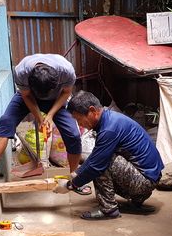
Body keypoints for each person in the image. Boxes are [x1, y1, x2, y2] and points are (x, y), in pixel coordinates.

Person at [0, 53, 91, 195]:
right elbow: (26, 95)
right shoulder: (21, 71)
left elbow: (66, 93)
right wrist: (39, 118)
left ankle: (75, 179)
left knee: (73, 134)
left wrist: (50, 115)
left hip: (57, 99)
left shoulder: (66, 70)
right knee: (6, 122)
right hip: (27, 98)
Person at [54, 91, 164, 220]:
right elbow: (96, 155)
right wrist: (76, 174)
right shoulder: (110, 119)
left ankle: (108, 210)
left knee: (100, 164)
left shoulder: (109, 129)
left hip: (144, 183)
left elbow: (96, 165)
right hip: (148, 178)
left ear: (92, 111)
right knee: (97, 158)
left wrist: (70, 185)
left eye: (79, 119)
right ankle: (135, 202)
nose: (79, 124)